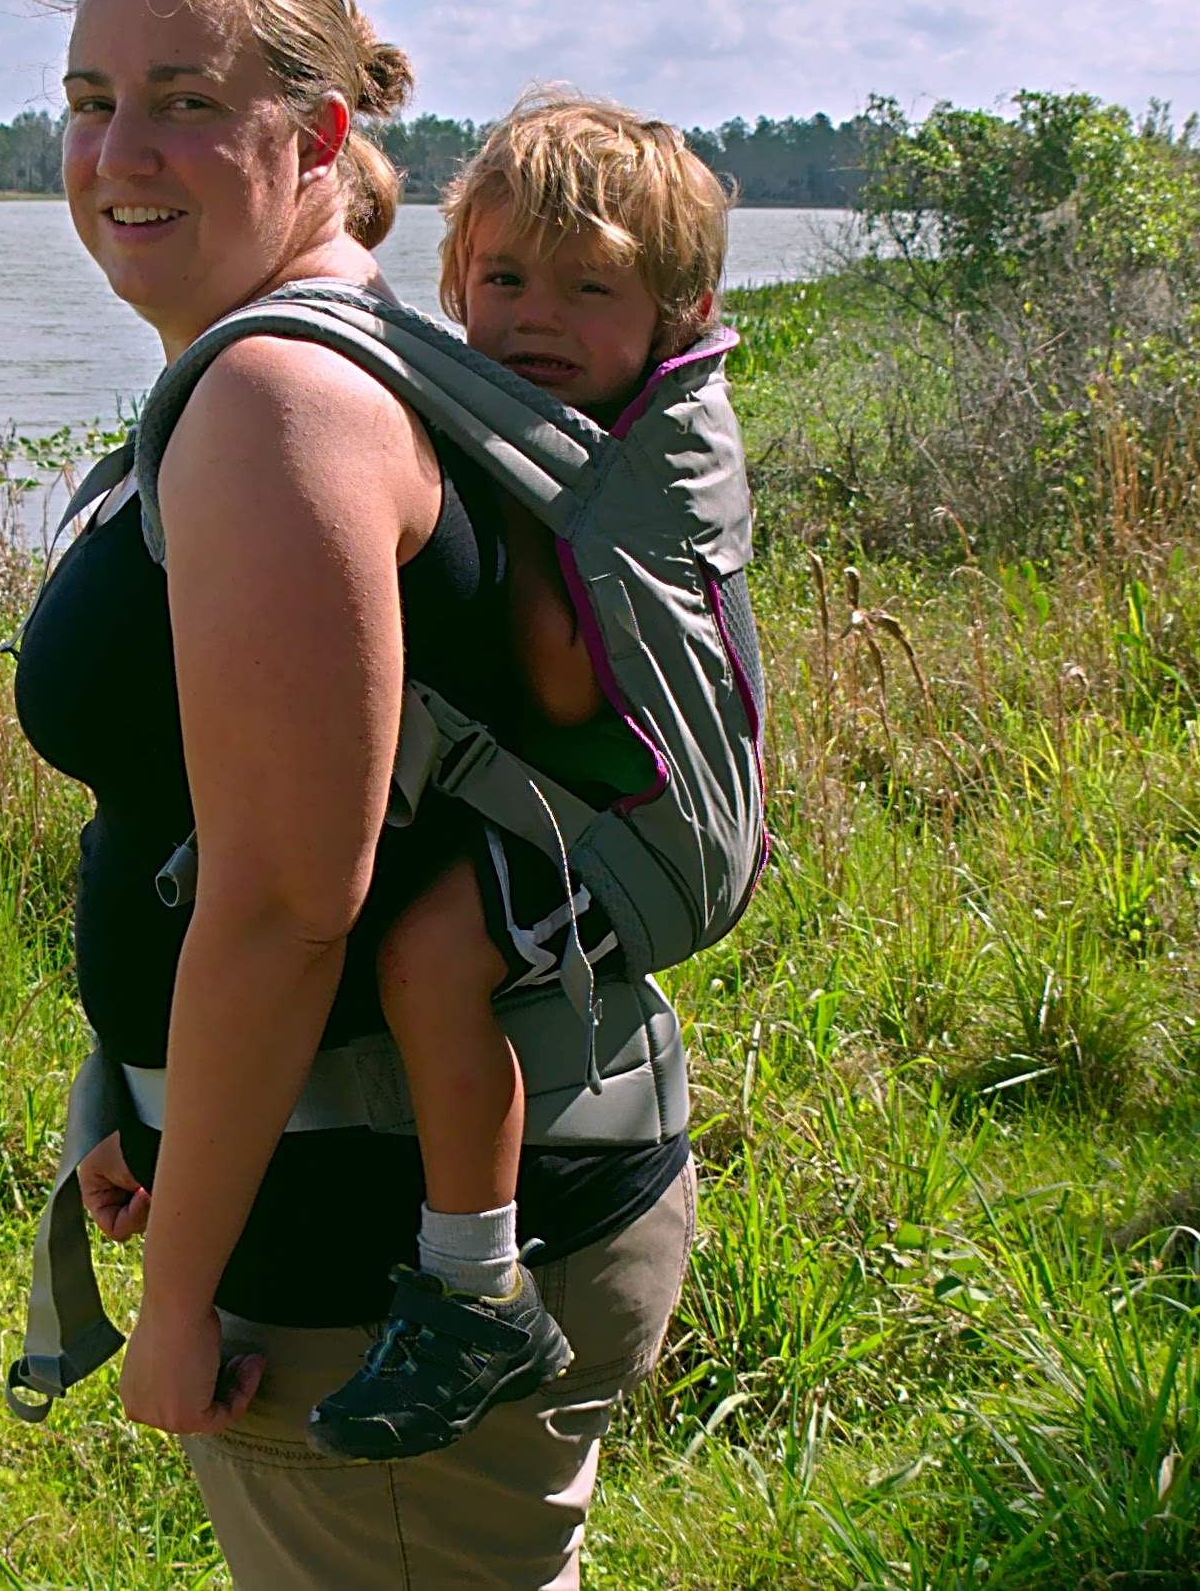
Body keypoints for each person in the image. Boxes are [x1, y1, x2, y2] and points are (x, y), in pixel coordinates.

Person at [13, 0, 696, 1589]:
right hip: (416, 1191)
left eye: (183, 98)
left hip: (360, 1269)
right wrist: (133, 1086)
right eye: (92, 97)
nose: (121, 152)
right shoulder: (350, 349)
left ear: (320, 136)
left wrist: (174, 1296)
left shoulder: (278, 407)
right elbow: (203, 805)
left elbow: (289, 902)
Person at [306, 93, 732, 1463]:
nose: (535, 315)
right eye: (503, 280)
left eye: (587, 284)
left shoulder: (640, 463)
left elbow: (561, 677)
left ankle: (474, 1285)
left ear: (676, 309)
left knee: (433, 959)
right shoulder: (571, 418)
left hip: (640, 822)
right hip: (586, 795)